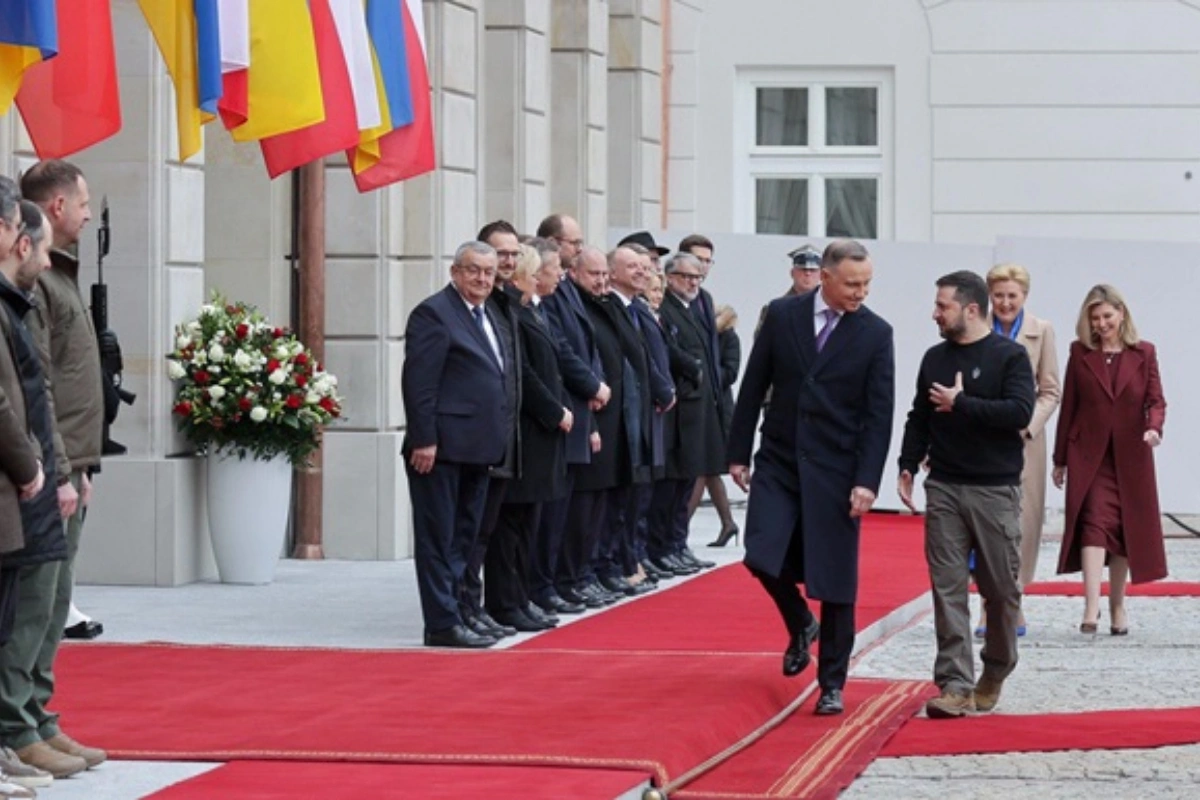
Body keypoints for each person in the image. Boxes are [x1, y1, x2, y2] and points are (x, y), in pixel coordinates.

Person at [728, 239, 894, 717]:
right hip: (780, 459)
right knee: (760, 553)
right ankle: (800, 621)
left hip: (838, 471)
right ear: (824, 277)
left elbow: (877, 415)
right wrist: (738, 452)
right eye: (852, 284)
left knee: (836, 580)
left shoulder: (875, 333)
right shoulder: (783, 316)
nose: (861, 293)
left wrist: (867, 480)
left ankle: (832, 683)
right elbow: (755, 382)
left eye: (867, 284)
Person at [897, 270, 1035, 719]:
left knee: (1000, 591)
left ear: (970, 309)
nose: (935, 313)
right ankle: (954, 684)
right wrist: (906, 464)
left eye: (943, 306)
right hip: (945, 487)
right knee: (947, 588)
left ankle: (996, 667)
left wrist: (962, 403)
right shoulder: (933, 358)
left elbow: (1019, 412)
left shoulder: (1009, 356)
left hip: (995, 489)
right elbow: (919, 414)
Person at [0, 197, 94, 782]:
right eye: (82, 202)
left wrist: (73, 464)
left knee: (46, 602)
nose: (86, 213)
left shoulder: (46, 284)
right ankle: (17, 725)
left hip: (48, 466)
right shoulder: (26, 297)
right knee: (27, 607)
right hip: (29, 474)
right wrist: (46, 470)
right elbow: (26, 400)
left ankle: (30, 717)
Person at [402, 242, 512, 649]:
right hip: (440, 450)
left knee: (465, 537)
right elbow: (419, 384)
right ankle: (442, 622)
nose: (482, 279)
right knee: (439, 537)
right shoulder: (434, 313)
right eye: (473, 271)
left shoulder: (486, 315)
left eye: (488, 272)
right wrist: (424, 438)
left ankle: (463, 609)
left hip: (478, 447)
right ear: (454, 272)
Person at [1052, 284, 1166, 636]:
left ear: (1121, 313)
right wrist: (1060, 459)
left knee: (1123, 530)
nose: (1101, 324)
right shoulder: (1080, 353)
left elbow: (1156, 401)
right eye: (1095, 318)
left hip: (1131, 455)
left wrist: (1154, 429)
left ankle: (1117, 604)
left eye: (1107, 316)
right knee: (1094, 524)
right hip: (1089, 455)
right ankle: (1091, 606)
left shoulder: (1144, 353)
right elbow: (1068, 405)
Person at [486, 245, 575, 631]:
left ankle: (520, 598)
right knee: (510, 525)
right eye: (537, 270)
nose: (543, 277)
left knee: (527, 523)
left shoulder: (530, 311)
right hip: (527, 431)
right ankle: (506, 602)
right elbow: (525, 373)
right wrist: (554, 411)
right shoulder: (515, 314)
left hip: (542, 434)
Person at [975, 264, 1060, 638]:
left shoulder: (1041, 331)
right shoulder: (976, 325)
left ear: (1024, 296)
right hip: (979, 438)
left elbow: (1051, 389)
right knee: (982, 524)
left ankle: (1015, 603)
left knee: (1021, 524)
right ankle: (985, 608)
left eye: (1012, 295)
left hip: (1024, 443)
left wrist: (1025, 425)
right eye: (999, 295)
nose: (1005, 303)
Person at [692, 303, 740, 547]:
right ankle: (728, 523)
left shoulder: (728, 338)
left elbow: (731, 372)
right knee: (709, 470)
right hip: (705, 406)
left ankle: (681, 525)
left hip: (719, 409)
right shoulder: (705, 337)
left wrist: (706, 375)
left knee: (705, 468)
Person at [755, 244, 822, 336]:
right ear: (792, 273)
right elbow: (761, 344)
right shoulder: (776, 309)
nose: (807, 273)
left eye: (813, 270)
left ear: (821, 275)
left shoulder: (829, 309)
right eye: (802, 269)